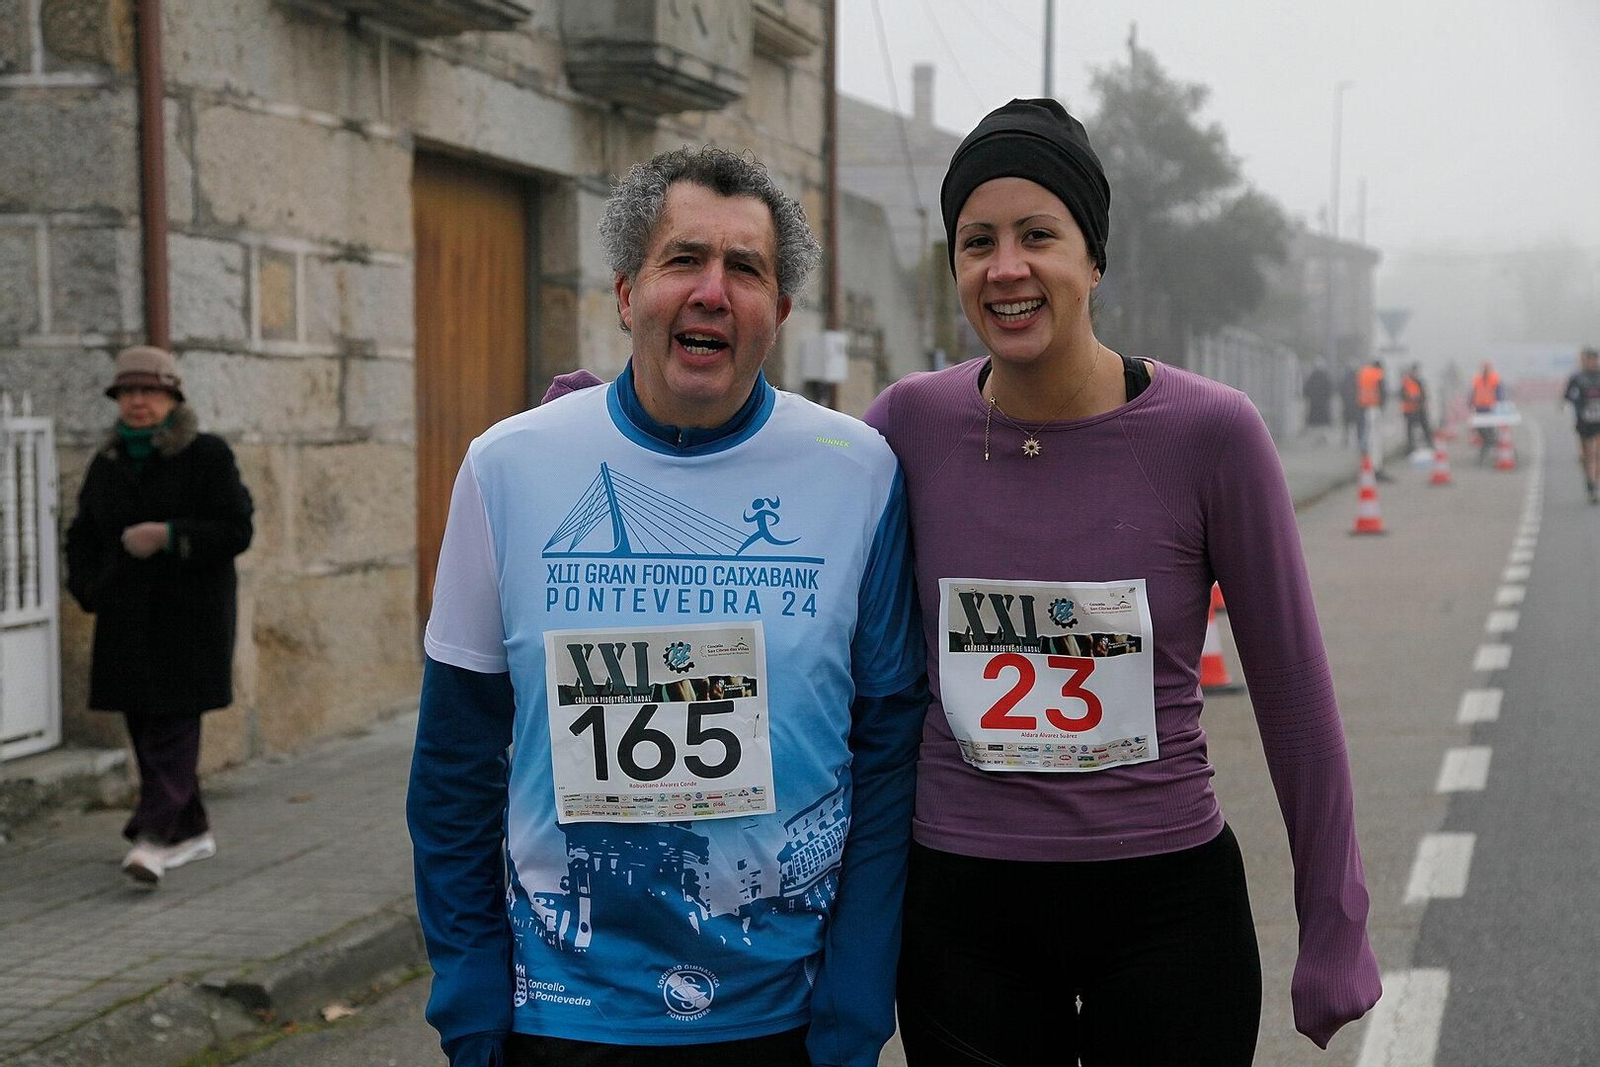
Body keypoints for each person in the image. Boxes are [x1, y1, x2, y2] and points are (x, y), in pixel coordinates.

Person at [862, 98, 1380, 1065]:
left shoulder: (1212, 435)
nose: (1006, 267)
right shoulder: (906, 426)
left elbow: (1296, 694)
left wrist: (1335, 918)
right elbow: (788, 513)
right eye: (977, 241)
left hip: (1164, 906)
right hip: (963, 910)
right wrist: (606, 434)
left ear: (1094, 260)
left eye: (1037, 235)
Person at [406, 146, 927, 1067]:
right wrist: (471, 994)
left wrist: (855, 997)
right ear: (624, 292)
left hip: (784, 1018)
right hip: (558, 1016)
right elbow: (455, 764)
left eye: (747, 270)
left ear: (782, 314)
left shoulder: (860, 472)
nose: (713, 292)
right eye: (683, 259)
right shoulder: (505, 468)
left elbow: (887, 755)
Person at [64, 345, 253, 888]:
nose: (138, 402)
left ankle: (151, 838)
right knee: (144, 728)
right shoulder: (108, 463)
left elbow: (237, 529)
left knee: (172, 726)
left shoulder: (207, 455)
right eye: (128, 392)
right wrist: (88, 588)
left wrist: (170, 536)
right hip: (125, 620)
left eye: (149, 392)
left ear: (173, 398)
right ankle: (190, 831)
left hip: (188, 622)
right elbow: (82, 535)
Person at [1563, 345, 1600, 503]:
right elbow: (1567, 395)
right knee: (1586, 453)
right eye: (1585, 359)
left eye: (1592, 359)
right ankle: (1589, 481)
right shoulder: (1576, 377)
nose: (1589, 362)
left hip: (1598, 418)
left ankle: (1595, 481)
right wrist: (1578, 401)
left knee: (1597, 452)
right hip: (1584, 419)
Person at [1357, 358, 1391, 479]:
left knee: (1366, 438)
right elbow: (1383, 392)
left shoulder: (1363, 373)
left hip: (1363, 408)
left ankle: (1366, 465)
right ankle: (1376, 468)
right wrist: (1382, 407)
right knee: (1375, 440)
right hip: (1374, 409)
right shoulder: (1378, 374)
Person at [1470, 360, 1505, 465]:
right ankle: (1490, 444)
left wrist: (1499, 405)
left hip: (1490, 409)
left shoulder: (1495, 379)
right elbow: (1473, 392)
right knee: (1481, 432)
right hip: (1479, 409)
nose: (1485, 371)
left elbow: (1499, 394)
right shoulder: (1477, 380)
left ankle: (1488, 449)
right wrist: (1470, 403)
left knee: (1489, 432)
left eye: (1487, 369)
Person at [1400, 362, 1434, 453]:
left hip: (1419, 409)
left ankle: (1430, 444)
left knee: (1425, 427)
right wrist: (1412, 399)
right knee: (1410, 431)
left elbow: (1423, 395)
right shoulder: (1406, 382)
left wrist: (1420, 400)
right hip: (1409, 410)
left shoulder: (1419, 382)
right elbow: (1403, 395)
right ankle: (1410, 448)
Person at [1303, 360, 1334, 444]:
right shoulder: (1325, 377)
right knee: (1323, 422)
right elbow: (1330, 389)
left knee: (1314, 422)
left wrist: (1310, 396)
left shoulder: (1311, 377)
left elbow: (1306, 389)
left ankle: (1316, 439)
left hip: (1314, 404)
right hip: (1323, 404)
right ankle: (1323, 437)